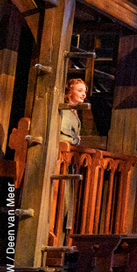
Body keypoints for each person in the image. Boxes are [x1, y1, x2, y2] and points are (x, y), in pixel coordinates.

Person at [58, 78, 88, 233]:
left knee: (68, 200)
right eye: (79, 90)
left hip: (69, 161)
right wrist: (75, 140)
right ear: (69, 92)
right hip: (60, 159)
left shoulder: (74, 112)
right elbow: (61, 136)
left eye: (84, 91)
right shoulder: (64, 110)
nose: (83, 94)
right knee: (60, 199)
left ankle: (63, 233)